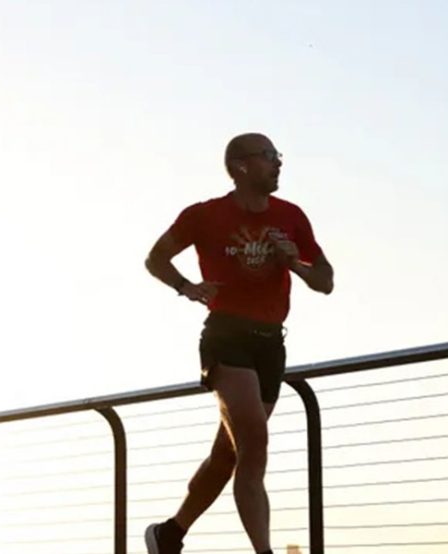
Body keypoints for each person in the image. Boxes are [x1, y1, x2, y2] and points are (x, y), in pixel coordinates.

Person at [143, 133, 334, 554]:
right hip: (226, 336)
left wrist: (295, 264)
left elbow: (326, 281)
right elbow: (156, 258)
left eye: (277, 155)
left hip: (270, 344)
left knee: (229, 456)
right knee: (255, 444)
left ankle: (169, 534)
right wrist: (186, 286)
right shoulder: (204, 215)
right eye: (268, 156)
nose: (278, 163)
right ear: (240, 165)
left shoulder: (291, 216)